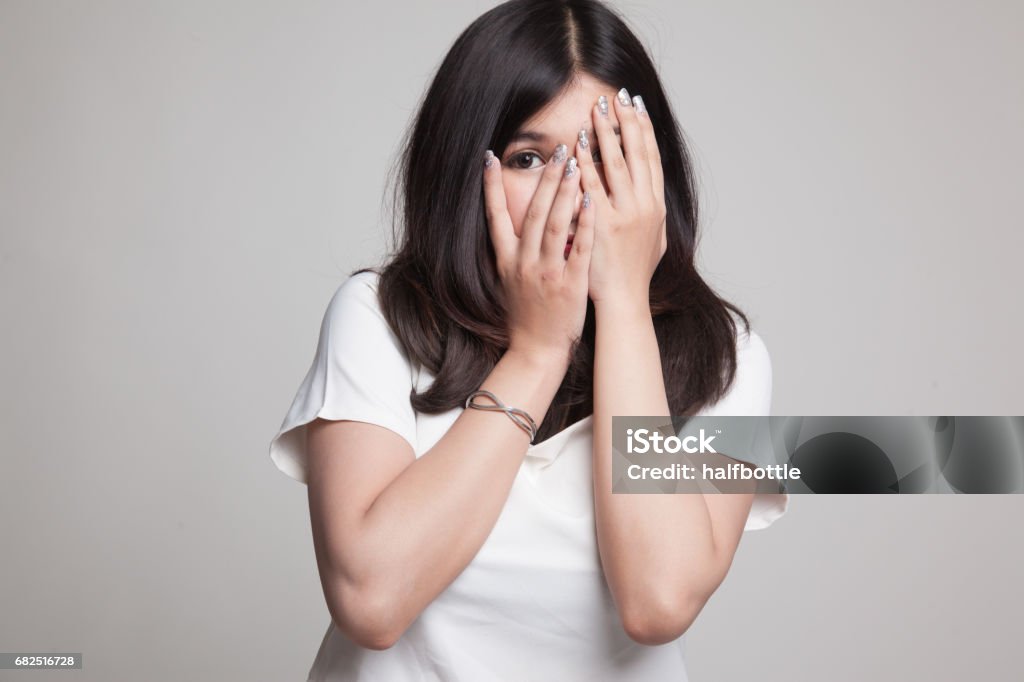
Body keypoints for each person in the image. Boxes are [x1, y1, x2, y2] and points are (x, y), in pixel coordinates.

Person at [269, 0, 788, 679]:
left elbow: (658, 602)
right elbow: (371, 602)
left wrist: (625, 304)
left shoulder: (730, 356)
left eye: (603, 154)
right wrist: (538, 351)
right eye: (527, 157)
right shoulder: (375, 317)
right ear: (464, 171)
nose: (570, 191)